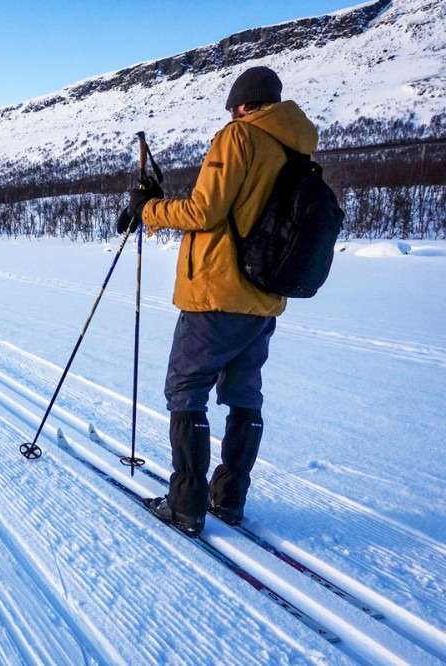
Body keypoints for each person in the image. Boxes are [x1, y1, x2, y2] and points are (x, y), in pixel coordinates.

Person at [117, 66, 320, 537]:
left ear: (246, 104)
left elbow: (205, 211)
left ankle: (185, 504)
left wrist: (146, 208)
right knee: (244, 394)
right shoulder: (294, 148)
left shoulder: (239, 137)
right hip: (264, 296)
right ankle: (228, 498)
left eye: (234, 105)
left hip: (216, 290)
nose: (231, 112)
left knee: (186, 388)